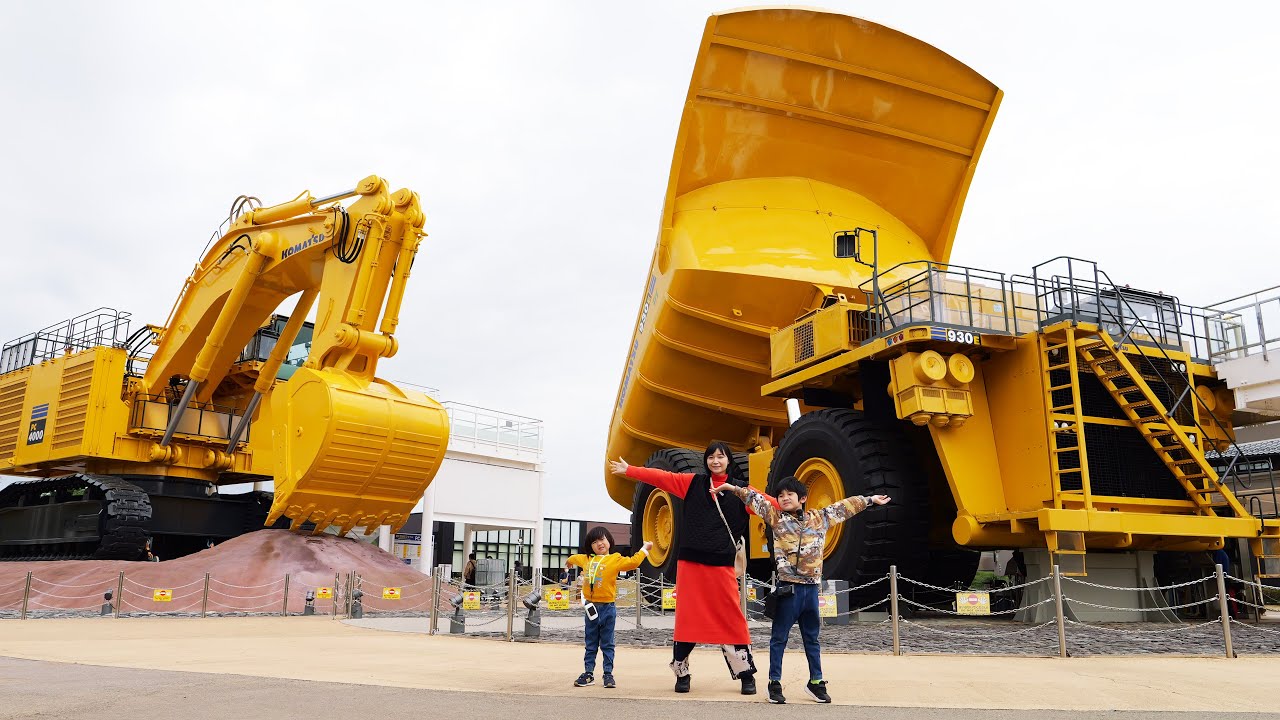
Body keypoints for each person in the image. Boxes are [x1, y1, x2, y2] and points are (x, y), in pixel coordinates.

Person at [609, 441, 778, 695]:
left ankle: (745, 674)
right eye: (711, 457)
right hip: (690, 563)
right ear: (706, 461)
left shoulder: (742, 490)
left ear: (728, 460)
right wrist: (631, 470)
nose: (715, 461)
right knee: (687, 619)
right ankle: (682, 673)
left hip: (722, 564)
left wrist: (793, 505)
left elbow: (769, 505)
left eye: (720, 457)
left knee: (731, 618)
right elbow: (663, 477)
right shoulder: (693, 483)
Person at [713, 475, 889, 704]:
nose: (784, 498)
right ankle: (774, 683)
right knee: (779, 639)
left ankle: (816, 682)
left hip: (811, 590)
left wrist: (870, 500)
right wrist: (732, 488)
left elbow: (844, 507)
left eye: (790, 494)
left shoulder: (820, 518)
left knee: (812, 639)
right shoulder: (775, 517)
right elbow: (754, 498)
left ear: (802, 498)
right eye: (781, 495)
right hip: (788, 589)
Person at [565, 527, 652, 689]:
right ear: (589, 546)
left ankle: (608, 674)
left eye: (602, 539)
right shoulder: (586, 559)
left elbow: (633, 562)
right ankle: (588, 673)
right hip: (590, 608)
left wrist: (644, 550)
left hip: (607, 608)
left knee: (607, 643)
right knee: (590, 643)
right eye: (594, 542)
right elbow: (574, 558)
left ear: (609, 541)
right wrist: (569, 562)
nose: (599, 543)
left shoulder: (615, 559)